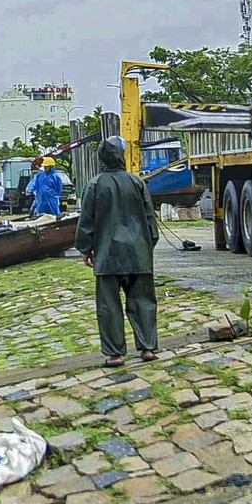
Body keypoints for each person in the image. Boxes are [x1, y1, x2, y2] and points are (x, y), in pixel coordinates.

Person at [75, 135, 160, 366]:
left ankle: (115, 354)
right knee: (143, 301)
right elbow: (151, 221)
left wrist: (86, 249)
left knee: (109, 306)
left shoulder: (94, 185)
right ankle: (147, 349)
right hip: (138, 254)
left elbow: (87, 221)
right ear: (121, 156)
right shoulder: (137, 183)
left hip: (107, 254)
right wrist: (147, 247)